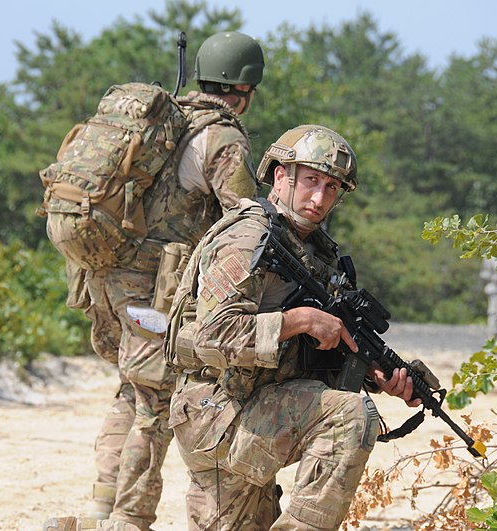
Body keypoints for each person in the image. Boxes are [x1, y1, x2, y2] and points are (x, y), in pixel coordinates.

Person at [44, 31, 264, 531]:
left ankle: (101, 507)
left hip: (102, 277)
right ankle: (128, 518)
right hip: (153, 291)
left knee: (131, 390)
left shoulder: (165, 123)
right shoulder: (221, 136)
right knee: (156, 402)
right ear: (245, 88)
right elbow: (247, 222)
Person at [164, 125, 421, 529]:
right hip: (218, 413)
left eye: (332, 187)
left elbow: (316, 356)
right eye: (311, 180)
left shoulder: (318, 253)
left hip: (260, 411)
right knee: (350, 415)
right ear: (281, 176)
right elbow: (213, 336)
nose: (319, 198)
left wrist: (375, 375)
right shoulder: (248, 237)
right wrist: (300, 320)